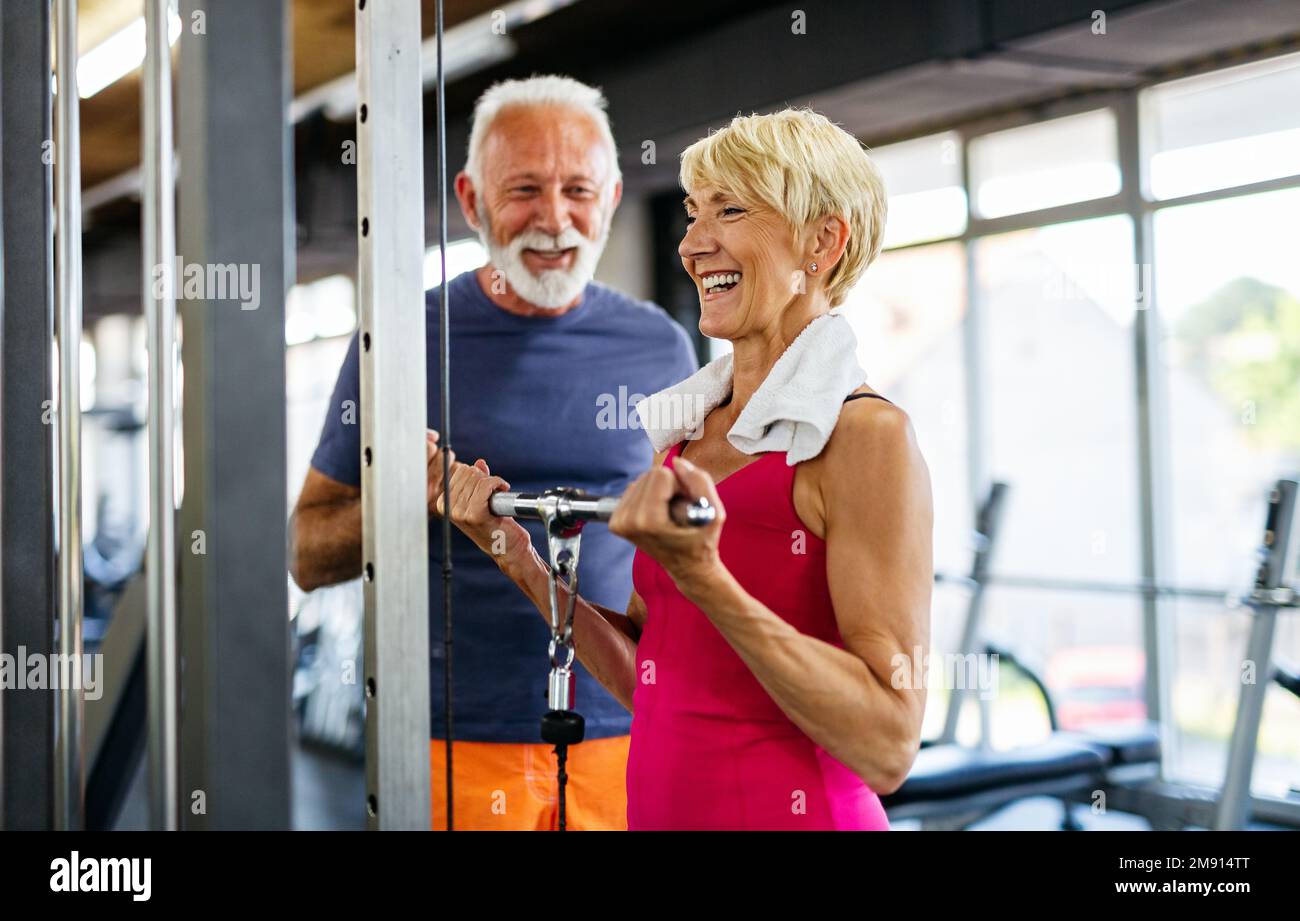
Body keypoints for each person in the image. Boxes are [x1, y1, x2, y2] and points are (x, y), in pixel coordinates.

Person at [433, 108, 933, 830]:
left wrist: (706, 577)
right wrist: (515, 556)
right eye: (694, 215)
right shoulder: (686, 438)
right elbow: (657, 679)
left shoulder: (865, 436)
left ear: (822, 241)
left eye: (729, 210)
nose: (694, 244)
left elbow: (888, 745)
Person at [289, 75, 697, 830]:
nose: (554, 219)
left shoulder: (661, 346)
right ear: (472, 201)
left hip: (632, 729)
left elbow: (690, 547)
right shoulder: (402, 339)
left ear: (610, 199)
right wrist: (399, 500)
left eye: (578, 189)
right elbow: (307, 555)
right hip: (452, 737)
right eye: (524, 190)